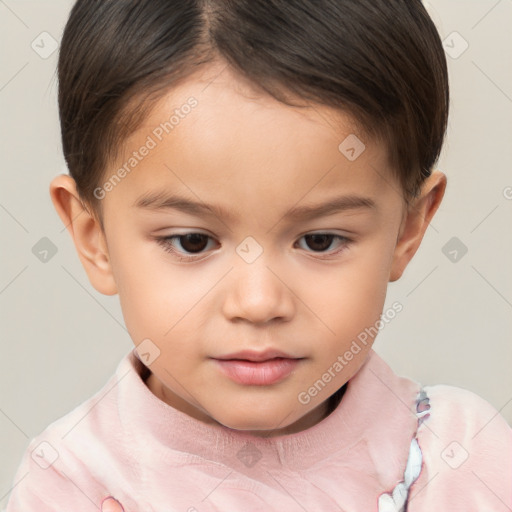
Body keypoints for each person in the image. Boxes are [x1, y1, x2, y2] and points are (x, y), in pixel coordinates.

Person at [6, 0, 512, 510]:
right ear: (94, 237)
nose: (258, 302)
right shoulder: (74, 482)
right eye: (193, 242)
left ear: (408, 227)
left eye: (320, 241)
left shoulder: (455, 460)